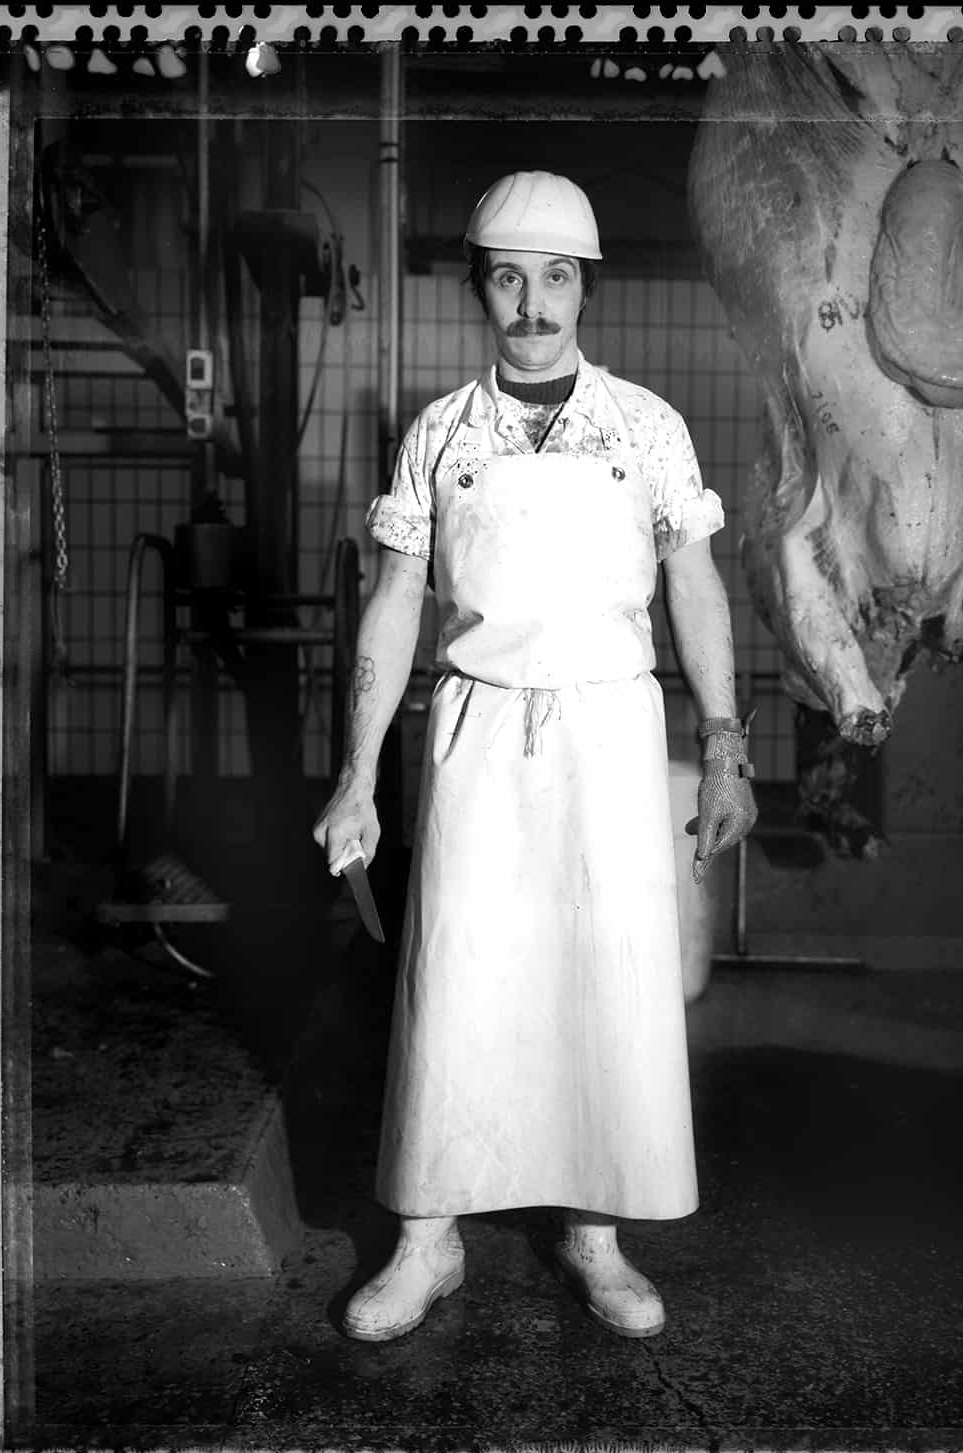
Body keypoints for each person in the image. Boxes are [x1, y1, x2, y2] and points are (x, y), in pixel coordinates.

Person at [313, 171, 757, 1343]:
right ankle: (426, 1241)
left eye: (553, 278)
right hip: (472, 730)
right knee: (455, 976)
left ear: (582, 289)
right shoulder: (440, 434)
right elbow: (395, 600)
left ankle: (595, 1239)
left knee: (603, 980)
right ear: (479, 289)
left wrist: (723, 749)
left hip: (610, 729)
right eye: (507, 277)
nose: (531, 302)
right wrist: (357, 773)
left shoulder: (645, 427)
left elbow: (696, 588)